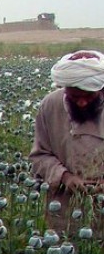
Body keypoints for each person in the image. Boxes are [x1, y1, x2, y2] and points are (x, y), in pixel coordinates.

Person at [30, 50, 104, 234]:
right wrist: (65, 176)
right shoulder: (50, 105)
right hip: (65, 205)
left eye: (88, 96)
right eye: (74, 97)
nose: (81, 103)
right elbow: (40, 156)